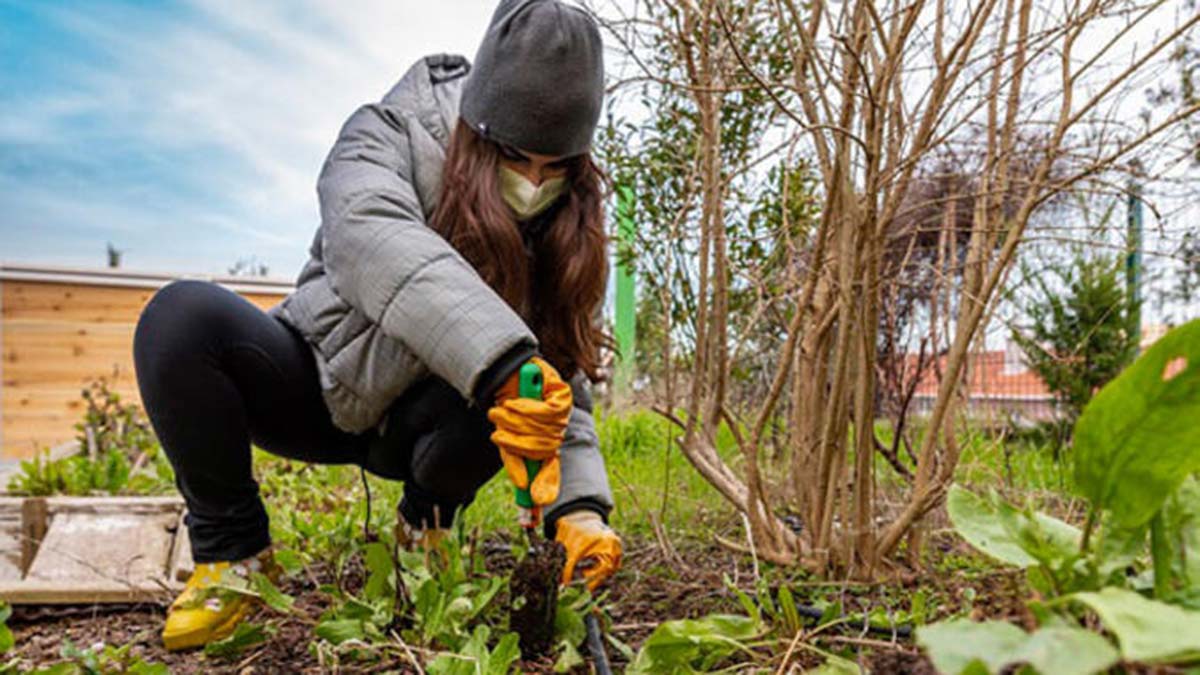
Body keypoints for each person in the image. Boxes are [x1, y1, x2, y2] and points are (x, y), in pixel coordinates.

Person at [132, 0, 622, 651]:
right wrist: (504, 358)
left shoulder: (568, 222)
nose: (534, 182)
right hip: (320, 384)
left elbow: (560, 381)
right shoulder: (389, 132)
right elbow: (367, 233)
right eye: (516, 157)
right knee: (181, 319)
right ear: (477, 129)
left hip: (432, 432)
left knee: (528, 374)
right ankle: (236, 554)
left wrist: (580, 509)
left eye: (555, 166)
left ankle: (426, 525)